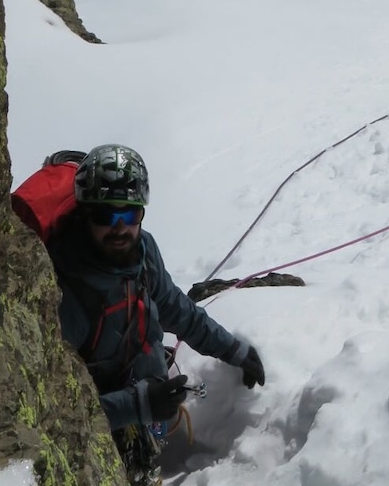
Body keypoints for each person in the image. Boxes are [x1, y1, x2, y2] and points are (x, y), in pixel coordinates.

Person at [47, 144, 264, 463]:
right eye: (106, 214)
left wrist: (234, 350)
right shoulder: (64, 293)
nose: (120, 226)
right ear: (84, 213)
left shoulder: (143, 252)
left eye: (130, 213)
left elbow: (177, 310)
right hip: (104, 422)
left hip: (146, 396)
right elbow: (54, 415)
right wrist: (137, 406)